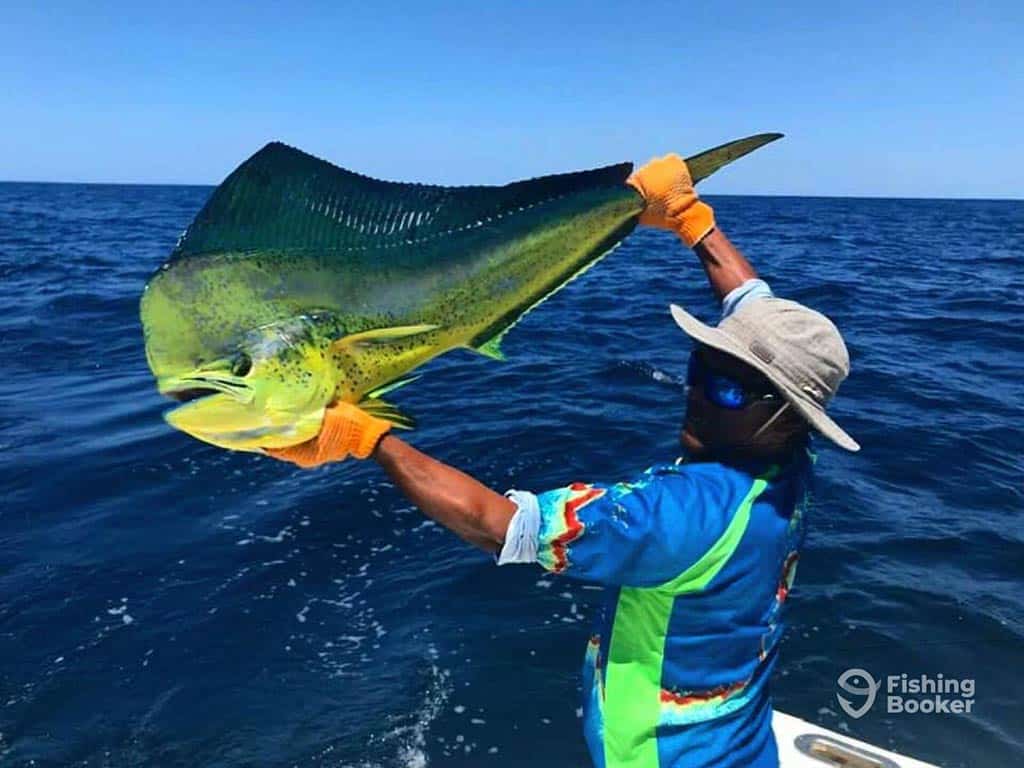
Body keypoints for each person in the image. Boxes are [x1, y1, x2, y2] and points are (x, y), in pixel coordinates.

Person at [268, 154, 859, 768]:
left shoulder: (680, 518)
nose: (696, 394)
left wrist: (368, 438)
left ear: (785, 415)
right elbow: (751, 305)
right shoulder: (790, 461)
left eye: (727, 390)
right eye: (699, 367)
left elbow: (498, 524)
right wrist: (692, 220)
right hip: (742, 745)